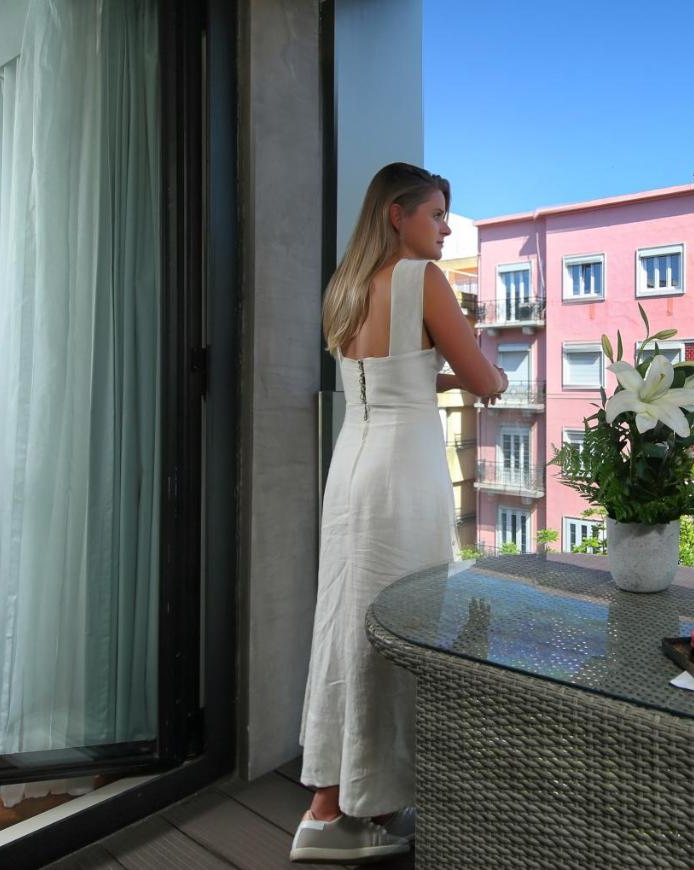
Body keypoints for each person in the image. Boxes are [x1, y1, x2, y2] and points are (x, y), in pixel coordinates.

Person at [290, 163, 508, 863]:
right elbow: (485, 381)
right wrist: (492, 373)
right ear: (397, 214)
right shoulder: (424, 280)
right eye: (436, 214)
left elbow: (382, 373)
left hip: (351, 468)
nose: (446, 229)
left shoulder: (346, 286)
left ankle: (330, 807)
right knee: (399, 628)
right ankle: (365, 809)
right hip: (403, 478)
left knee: (344, 628)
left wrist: (434, 373)